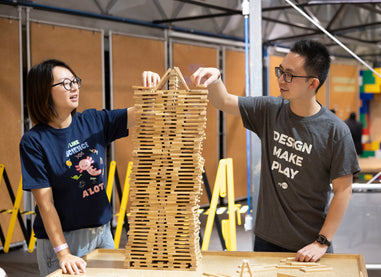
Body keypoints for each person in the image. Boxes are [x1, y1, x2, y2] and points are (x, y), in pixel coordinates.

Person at [191, 39, 360, 262]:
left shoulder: (335, 131)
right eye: (280, 71)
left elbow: (343, 191)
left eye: (289, 75)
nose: (281, 79)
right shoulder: (269, 110)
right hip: (266, 240)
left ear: (312, 84)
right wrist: (215, 79)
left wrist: (321, 242)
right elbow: (223, 101)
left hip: (308, 245)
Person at [19, 59, 160, 276]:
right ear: (43, 91)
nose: (74, 87)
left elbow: (141, 113)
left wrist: (151, 91)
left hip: (102, 234)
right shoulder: (34, 141)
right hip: (64, 242)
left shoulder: (93, 121)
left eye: (75, 81)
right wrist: (63, 252)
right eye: (65, 83)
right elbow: (46, 205)